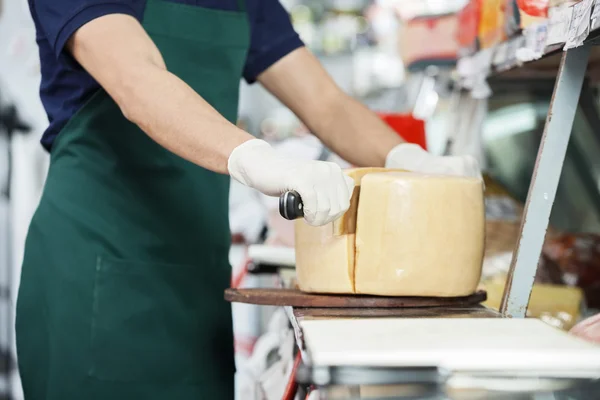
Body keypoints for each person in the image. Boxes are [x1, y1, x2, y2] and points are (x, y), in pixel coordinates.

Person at [17, 0, 481, 399]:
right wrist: (259, 160)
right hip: (97, 275)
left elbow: (325, 102)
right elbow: (137, 81)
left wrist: (407, 159)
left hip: (196, 279)